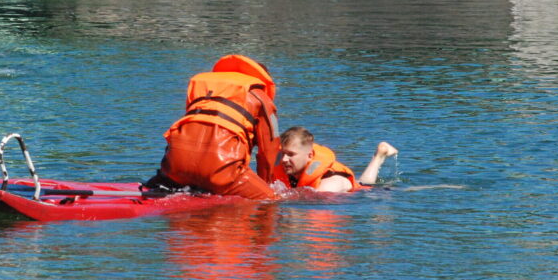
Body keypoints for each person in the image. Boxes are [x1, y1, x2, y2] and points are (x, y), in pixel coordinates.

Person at [145, 54, 281, 199]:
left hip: (174, 166)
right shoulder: (262, 98)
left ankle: (159, 184)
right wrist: (267, 186)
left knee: (181, 174)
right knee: (272, 201)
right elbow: (269, 152)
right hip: (222, 172)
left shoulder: (203, 90)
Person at [273, 126, 398, 193]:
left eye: (291, 154)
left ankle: (379, 155)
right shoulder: (290, 169)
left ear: (310, 156)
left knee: (365, 184)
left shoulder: (329, 182)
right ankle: (380, 154)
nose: (284, 159)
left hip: (365, 191)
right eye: (282, 154)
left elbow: (319, 199)